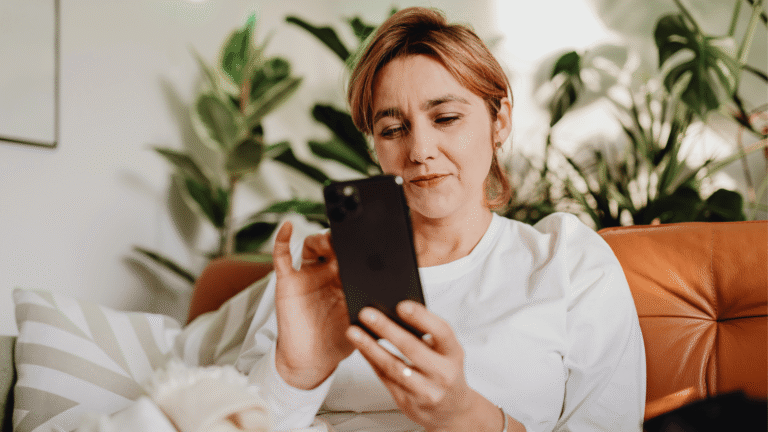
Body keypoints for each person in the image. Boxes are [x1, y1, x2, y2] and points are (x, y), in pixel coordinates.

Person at [235, 7, 645, 432]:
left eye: (446, 117)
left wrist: (466, 417)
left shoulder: (567, 261)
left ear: (499, 121)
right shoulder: (325, 267)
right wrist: (294, 375)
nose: (419, 150)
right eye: (393, 129)